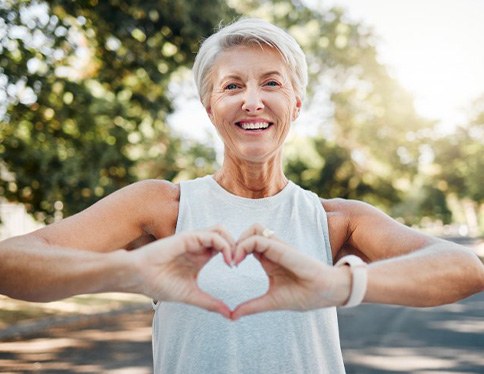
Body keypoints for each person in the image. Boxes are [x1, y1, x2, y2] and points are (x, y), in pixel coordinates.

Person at [0, 17, 483, 373]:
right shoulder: (161, 207)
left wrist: (338, 285)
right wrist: (128, 270)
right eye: (232, 86)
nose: (252, 99)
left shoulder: (335, 219)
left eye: (271, 83)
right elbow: (11, 262)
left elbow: (465, 270)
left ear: (295, 104)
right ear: (211, 107)